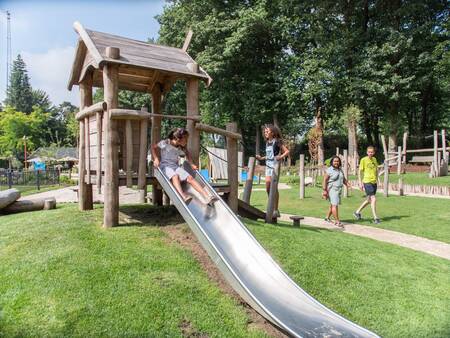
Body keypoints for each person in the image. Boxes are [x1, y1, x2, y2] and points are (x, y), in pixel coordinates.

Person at [151, 128, 217, 205]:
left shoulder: (180, 146)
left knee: (190, 178)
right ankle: (183, 196)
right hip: (165, 166)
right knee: (175, 176)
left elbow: (187, 154)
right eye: (185, 139)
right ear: (178, 138)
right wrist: (156, 158)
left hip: (175, 166)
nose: (186, 141)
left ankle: (207, 196)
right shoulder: (166, 142)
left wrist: (191, 164)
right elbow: (153, 147)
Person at [255, 124, 289, 218]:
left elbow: (287, 151)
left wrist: (280, 157)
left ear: (272, 133)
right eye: (265, 132)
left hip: (275, 165)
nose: (265, 133)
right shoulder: (267, 142)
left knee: (273, 187)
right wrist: (261, 158)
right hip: (268, 165)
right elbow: (268, 155)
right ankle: (271, 205)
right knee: (267, 187)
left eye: (267, 131)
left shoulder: (277, 142)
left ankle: (275, 209)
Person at [353, 146, 380, 224]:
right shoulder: (363, 160)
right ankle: (375, 217)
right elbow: (360, 172)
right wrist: (360, 182)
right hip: (367, 181)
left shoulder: (374, 160)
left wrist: (378, 179)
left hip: (374, 182)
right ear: (367, 152)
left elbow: (376, 170)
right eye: (369, 152)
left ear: (374, 152)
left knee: (369, 200)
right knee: (373, 199)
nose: (370, 153)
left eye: (372, 152)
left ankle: (357, 212)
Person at [322, 155, 351, 227]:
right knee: (335, 205)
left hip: (338, 190)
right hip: (332, 189)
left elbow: (343, 179)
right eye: (335, 161)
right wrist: (325, 190)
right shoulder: (329, 170)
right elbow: (325, 180)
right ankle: (337, 221)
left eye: (337, 161)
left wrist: (348, 184)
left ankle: (327, 217)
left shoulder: (340, 169)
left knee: (332, 204)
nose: (336, 162)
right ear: (332, 162)